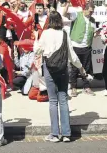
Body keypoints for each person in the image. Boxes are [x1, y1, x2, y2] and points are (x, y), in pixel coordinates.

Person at [35, 11, 88, 142]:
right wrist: (81, 68)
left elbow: (37, 50)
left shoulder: (45, 33)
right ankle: (66, 133)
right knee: (63, 99)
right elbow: (71, 54)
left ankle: (54, 133)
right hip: (63, 68)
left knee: (53, 101)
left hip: (49, 68)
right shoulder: (64, 33)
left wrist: (37, 41)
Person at [68, 3, 98, 96]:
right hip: (76, 46)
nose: (91, 13)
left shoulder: (92, 20)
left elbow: (93, 31)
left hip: (87, 47)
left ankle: (87, 87)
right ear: (84, 9)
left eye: (92, 11)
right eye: (90, 11)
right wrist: (67, 2)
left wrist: (96, 33)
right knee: (75, 68)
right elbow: (65, 14)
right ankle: (73, 88)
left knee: (87, 68)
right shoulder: (77, 15)